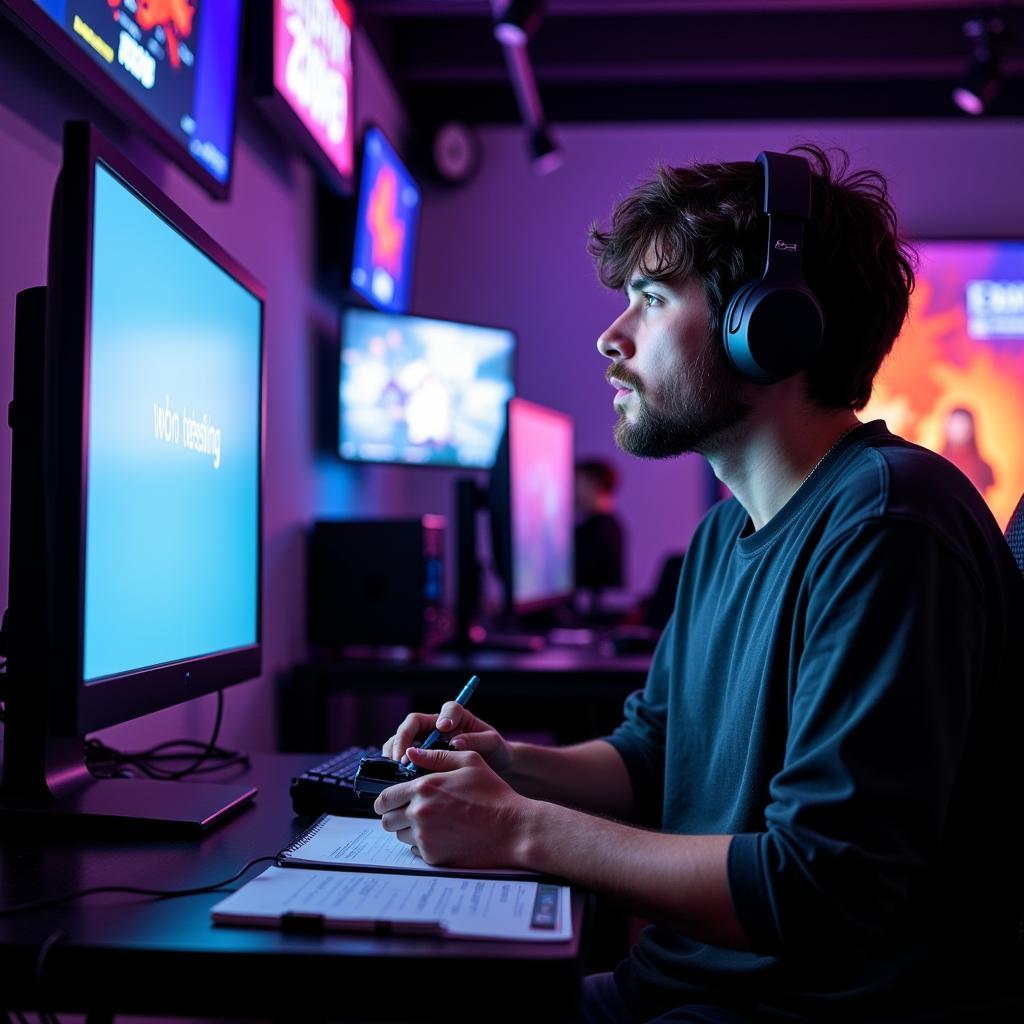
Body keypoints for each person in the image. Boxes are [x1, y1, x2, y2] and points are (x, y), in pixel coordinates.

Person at [374, 147, 1024, 1022]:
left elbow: (821, 888)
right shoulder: (724, 534)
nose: (612, 336)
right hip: (681, 991)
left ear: (770, 325)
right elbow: (653, 758)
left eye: (649, 299)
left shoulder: (889, 524)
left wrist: (516, 828)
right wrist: (510, 767)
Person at [574, 457, 626, 616]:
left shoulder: (597, 529)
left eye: (577, 482)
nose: (572, 489)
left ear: (594, 484)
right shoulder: (612, 524)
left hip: (594, 617)